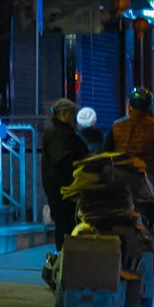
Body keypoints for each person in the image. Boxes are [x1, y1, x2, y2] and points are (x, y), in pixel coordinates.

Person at [41, 97, 89, 250]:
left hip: (64, 190)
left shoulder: (62, 131)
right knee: (65, 226)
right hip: (63, 191)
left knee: (66, 226)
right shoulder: (57, 133)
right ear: (63, 114)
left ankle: (66, 259)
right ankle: (65, 259)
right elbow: (62, 161)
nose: (74, 116)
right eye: (71, 113)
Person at [106, 88, 154, 189]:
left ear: (130, 105)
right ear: (149, 106)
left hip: (121, 184)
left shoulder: (116, 127)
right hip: (148, 185)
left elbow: (107, 156)